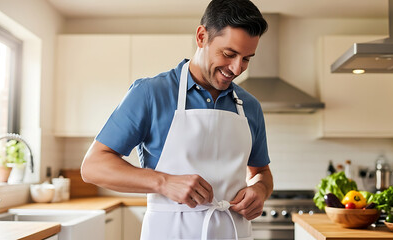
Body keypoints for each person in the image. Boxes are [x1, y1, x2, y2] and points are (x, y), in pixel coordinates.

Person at [81, 0, 273, 239]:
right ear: (202, 36)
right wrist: (163, 182)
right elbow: (93, 166)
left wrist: (260, 189)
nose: (236, 68)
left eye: (246, 58)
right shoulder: (150, 93)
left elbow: (261, 171)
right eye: (229, 54)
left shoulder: (250, 107)